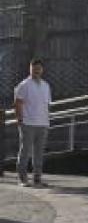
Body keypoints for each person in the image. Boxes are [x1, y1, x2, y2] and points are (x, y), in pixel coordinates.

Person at [14, 59, 52, 187]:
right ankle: (22, 178)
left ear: (42, 70)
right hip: (28, 123)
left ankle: (37, 178)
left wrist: (47, 121)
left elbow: (46, 105)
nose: (36, 70)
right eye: (34, 68)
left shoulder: (46, 85)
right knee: (25, 151)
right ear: (29, 69)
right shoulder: (24, 85)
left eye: (39, 68)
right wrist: (20, 120)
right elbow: (18, 103)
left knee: (39, 152)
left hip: (42, 123)